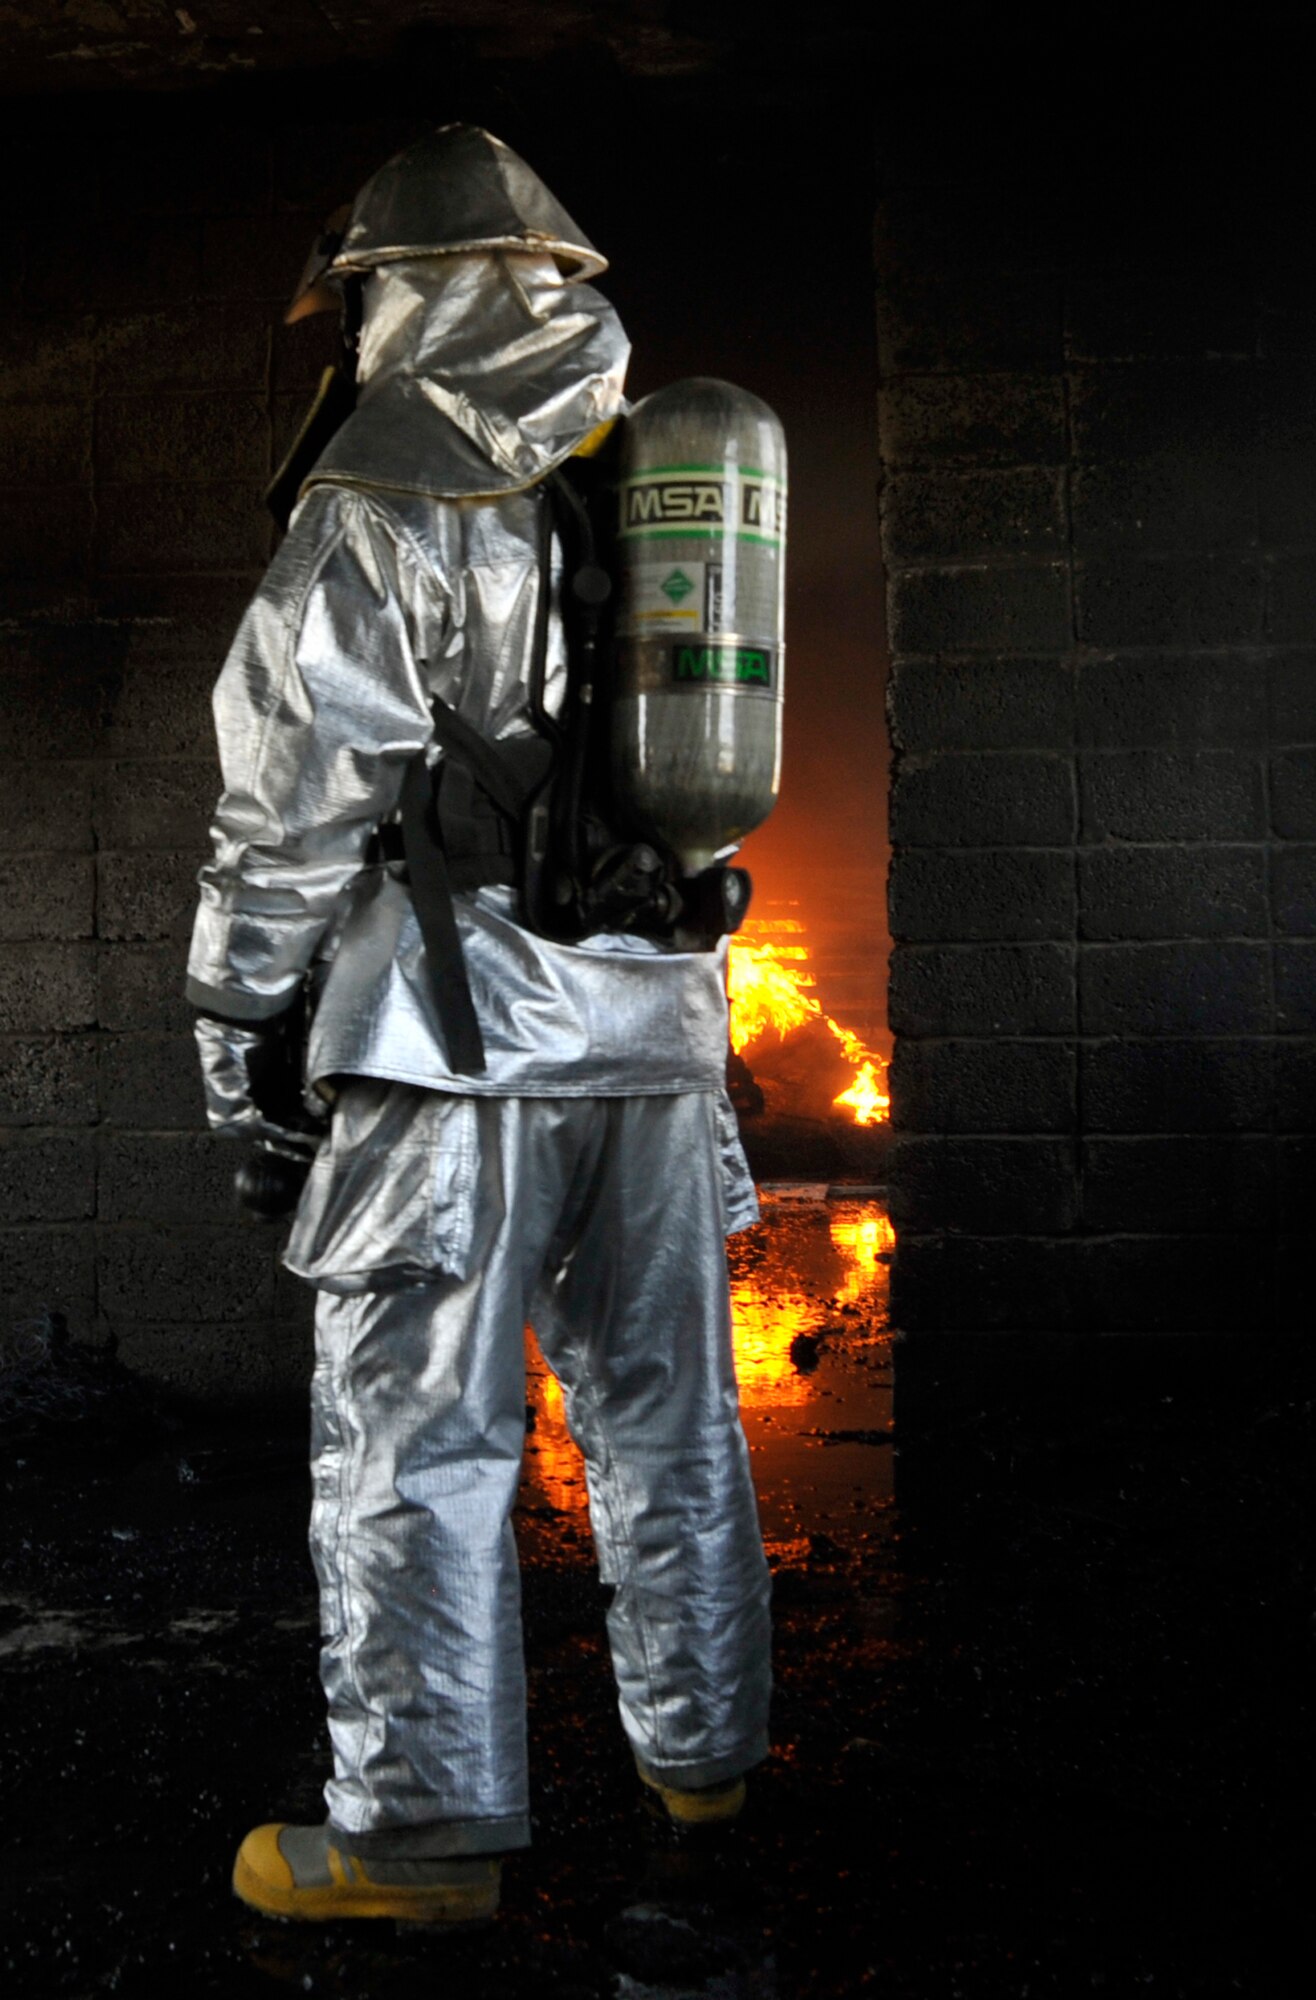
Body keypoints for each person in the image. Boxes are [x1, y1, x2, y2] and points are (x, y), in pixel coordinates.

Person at [186, 124, 771, 1929]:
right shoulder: (653, 470)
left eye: (359, 303)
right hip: (660, 1033)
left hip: (451, 1046)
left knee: (417, 1445)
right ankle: (705, 1770)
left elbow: (287, 814)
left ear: (399, 293)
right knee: (669, 1416)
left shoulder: (377, 500)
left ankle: (420, 1844)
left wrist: (235, 1043)